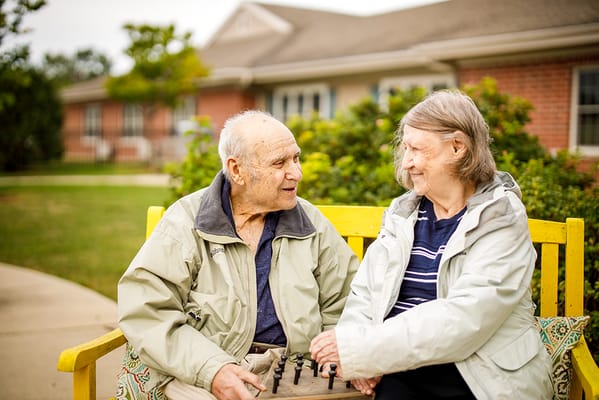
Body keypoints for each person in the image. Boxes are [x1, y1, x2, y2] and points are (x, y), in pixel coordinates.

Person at [309, 90, 554, 399]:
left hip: (478, 375)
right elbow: (365, 294)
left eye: (417, 149)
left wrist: (363, 351)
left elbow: (466, 317)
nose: (408, 161)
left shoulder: (501, 217)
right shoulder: (403, 214)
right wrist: (356, 358)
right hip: (399, 368)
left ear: (457, 147)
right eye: (406, 148)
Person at [117, 110, 359, 400]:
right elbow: (148, 310)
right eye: (279, 163)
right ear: (236, 170)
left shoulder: (311, 225)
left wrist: (341, 351)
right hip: (204, 369)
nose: (296, 172)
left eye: (296, 158)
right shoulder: (185, 222)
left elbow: (348, 303)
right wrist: (212, 369)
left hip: (293, 373)